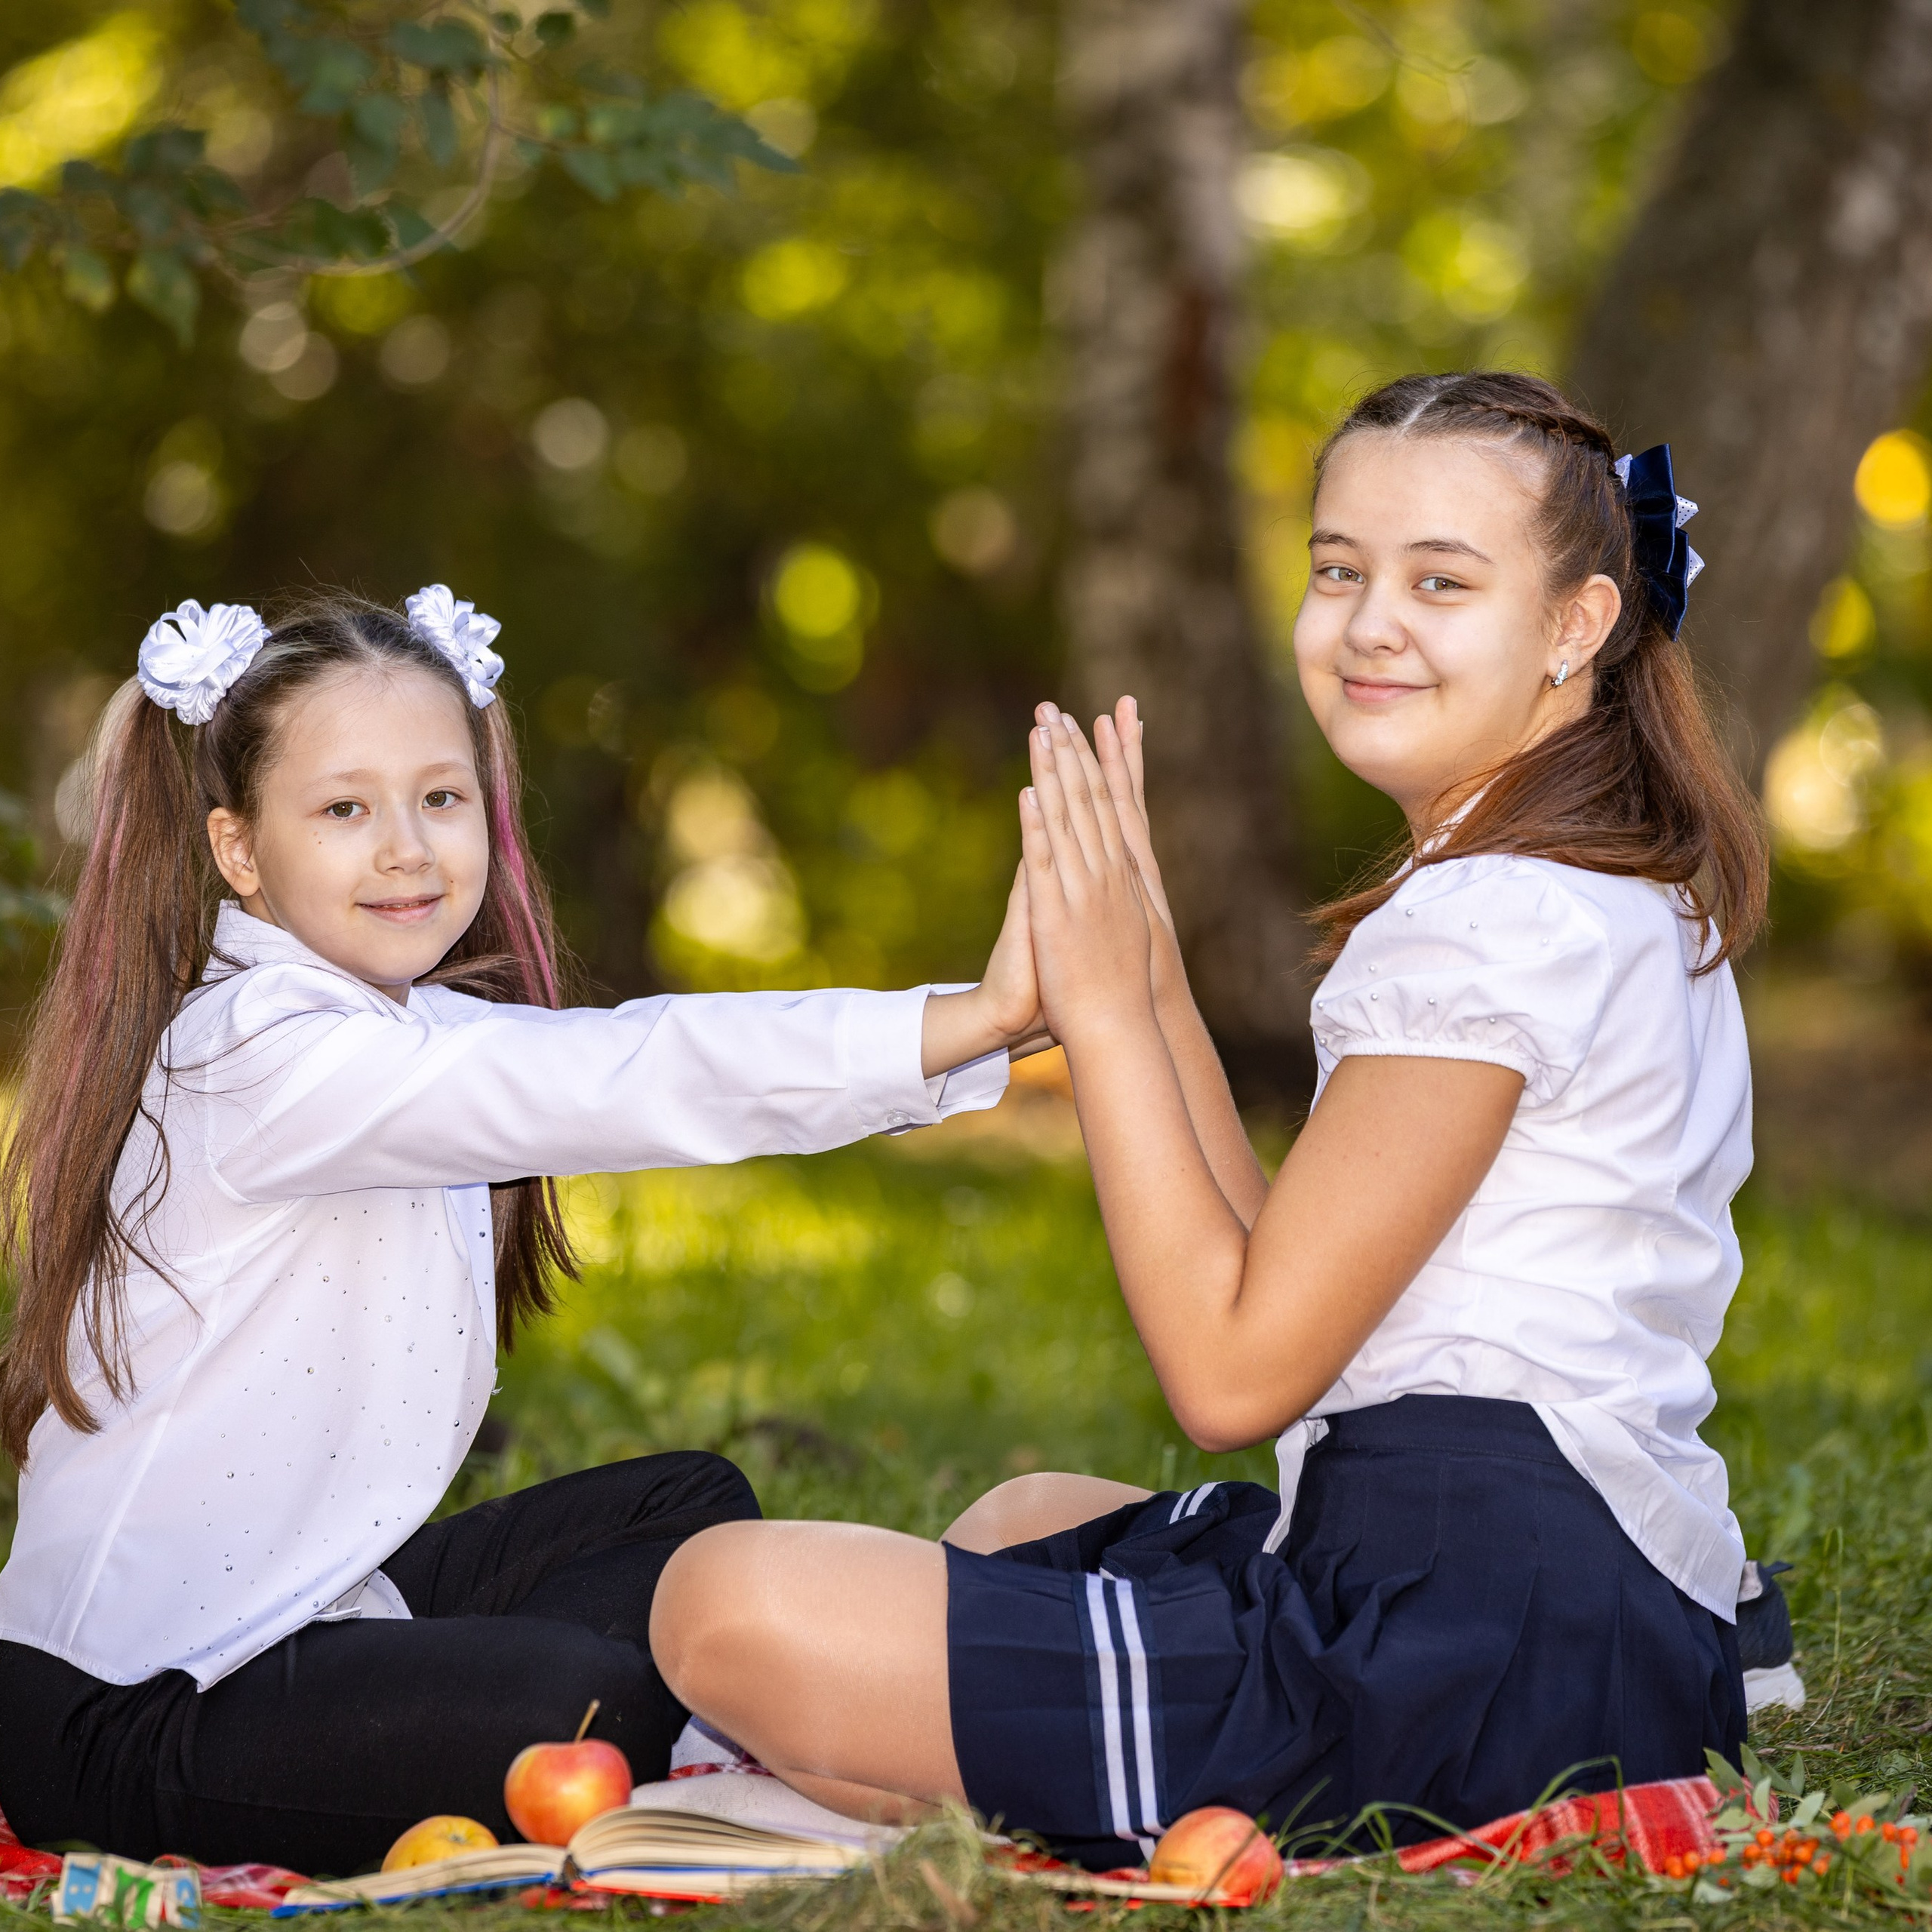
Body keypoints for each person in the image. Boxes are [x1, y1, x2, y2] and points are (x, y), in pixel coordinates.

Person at [650, 371, 1767, 1863]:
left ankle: (960, 1774)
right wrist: (1152, 975)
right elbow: (1294, 1283)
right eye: (1338, 569)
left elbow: (1233, 1377)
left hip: (1471, 1658)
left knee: (721, 1603)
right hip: (1561, 1611)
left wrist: (1102, 1021)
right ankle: (962, 1763)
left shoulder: (1496, 922)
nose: (1369, 623)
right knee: (1024, 1517)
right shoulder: (1587, 882)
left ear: (1576, 623)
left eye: (1440, 581)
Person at [0, 588, 1045, 1871]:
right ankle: (713, 1735)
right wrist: (969, 1021)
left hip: (317, 1610)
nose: (407, 849)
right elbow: (629, 1073)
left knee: (693, 1509)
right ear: (239, 850)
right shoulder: (259, 1055)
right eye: (344, 810)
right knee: (579, 1710)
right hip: (127, 1712)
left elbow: (608, 1062)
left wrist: (976, 1037)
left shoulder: (393, 1027)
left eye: (441, 798)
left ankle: (661, 1722)